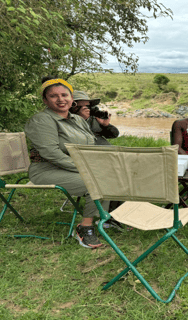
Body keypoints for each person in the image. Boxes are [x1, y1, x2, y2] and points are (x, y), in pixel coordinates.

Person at [25, 76, 109, 249]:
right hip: (46, 169)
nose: (61, 99)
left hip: (75, 167)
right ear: (45, 100)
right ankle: (84, 227)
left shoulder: (78, 120)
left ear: (72, 99)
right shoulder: (42, 120)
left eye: (65, 95)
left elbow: (90, 145)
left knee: (113, 174)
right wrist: (87, 169)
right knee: (97, 183)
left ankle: (108, 218)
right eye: (53, 96)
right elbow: (51, 153)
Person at [70, 90, 124, 229]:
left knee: (124, 172)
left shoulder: (94, 118)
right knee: (114, 175)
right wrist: (81, 119)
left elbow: (114, 134)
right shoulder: (69, 121)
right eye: (84, 106)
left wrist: (105, 125)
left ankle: (117, 214)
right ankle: (108, 216)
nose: (88, 109)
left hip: (105, 157)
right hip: (90, 161)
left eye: (89, 105)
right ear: (74, 106)